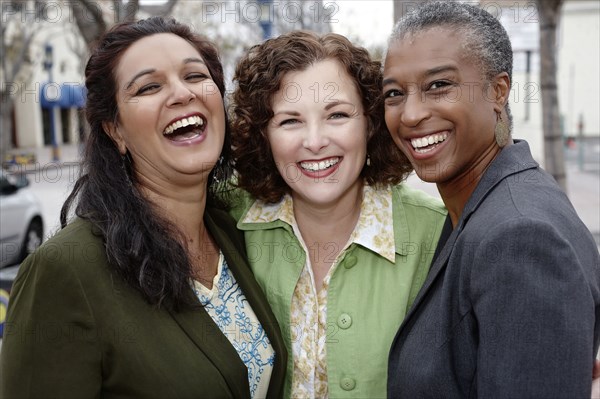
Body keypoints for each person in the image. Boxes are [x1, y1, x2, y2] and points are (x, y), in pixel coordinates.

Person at [0, 17, 286, 399]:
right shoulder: (64, 271)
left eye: (195, 76)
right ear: (114, 130)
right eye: (149, 86)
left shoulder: (236, 229)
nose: (183, 94)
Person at [383, 2, 600, 397]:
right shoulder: (480, 209)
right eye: (394, 93)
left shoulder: (522, 236)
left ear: (497, 90)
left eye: (438, 85)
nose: (410, 114)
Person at [229, 31, 447, 398]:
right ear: (263, 135)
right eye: (290, 121)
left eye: (337, 115)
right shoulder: (226, 219)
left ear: (371, 122)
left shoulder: (438, 232)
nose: (314, 141)